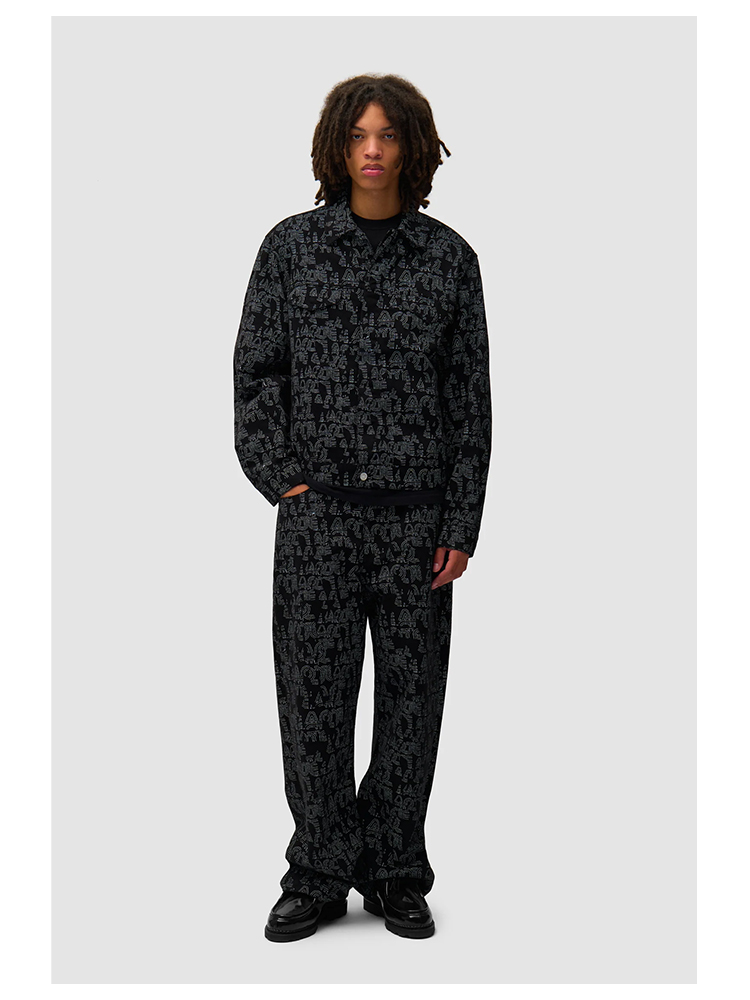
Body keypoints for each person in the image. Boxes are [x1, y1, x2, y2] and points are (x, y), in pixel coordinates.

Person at [233, 73, 492, 941]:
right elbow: (256, 373)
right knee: (312, 705)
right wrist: (281, 478)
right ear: (335, 147)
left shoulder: (450, 260)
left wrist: (460, 523)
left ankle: (394, 872)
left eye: (387, 135)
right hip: (318, 522)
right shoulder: (291, 248)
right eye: (357, 135)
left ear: (413, 147)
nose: (372, 150)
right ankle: (317, 872)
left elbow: (470, 403)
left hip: (419, 525)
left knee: (412, 709)